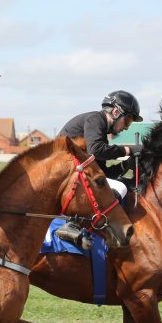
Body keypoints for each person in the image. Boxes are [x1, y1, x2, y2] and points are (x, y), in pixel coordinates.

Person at [53, 90, 143, 247]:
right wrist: (128, 149)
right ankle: (72, 224)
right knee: (119, 187)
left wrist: (124, 166)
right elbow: (96, 150)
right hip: (65, 172)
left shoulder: (98, 129)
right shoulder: (96, 119)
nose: (126, 127)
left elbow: (102, 172)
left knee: (116, 184)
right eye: (127, 120)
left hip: (73, 171)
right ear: (115, 112)